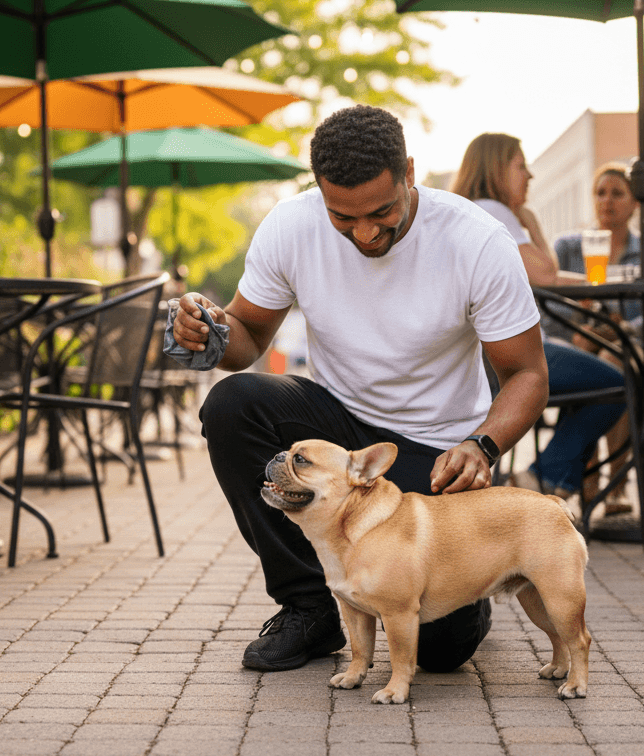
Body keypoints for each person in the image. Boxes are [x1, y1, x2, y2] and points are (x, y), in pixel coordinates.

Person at [170, 106, 549, 674]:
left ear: (410, 173)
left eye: (382, 212)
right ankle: (310, 607)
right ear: (319, 193)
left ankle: (469, 602)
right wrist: (209, 330)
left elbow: (528, 374)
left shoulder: (475, 241)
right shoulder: (291, 225)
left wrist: (484, 445)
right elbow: (246, 340)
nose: (366, 232)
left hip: (438, 451)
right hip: (338, 434)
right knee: (233, 404)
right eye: (342, 217)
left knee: (442, 650)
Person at [449, 133, 625, 503]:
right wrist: (532, 226)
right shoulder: (493, 211)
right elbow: (546, 274)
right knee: (615, 384)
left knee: (590, 382)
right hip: (499, 354)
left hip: (474, 351)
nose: (529, 176)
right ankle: (543, 478)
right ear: (496, 168)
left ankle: (553, 477)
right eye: (520, 165)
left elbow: (543, 276)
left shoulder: (465, 209)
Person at [548, 163, 644, 513]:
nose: (607, 201)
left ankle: (609, 485)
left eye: (617, 193)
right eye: (600, 192)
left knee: (614, 361)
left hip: (631, 348)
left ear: (636, 202)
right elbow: (543, 301)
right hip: (578, 344)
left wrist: (630, 327)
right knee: (593, 364)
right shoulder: (569, 247)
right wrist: (576, 333)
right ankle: (595, 485)